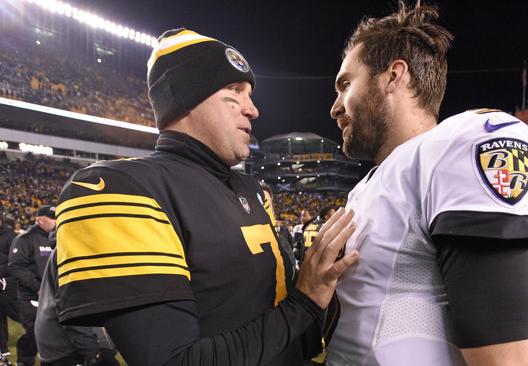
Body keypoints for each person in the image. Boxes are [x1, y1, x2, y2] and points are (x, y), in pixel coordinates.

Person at [53, 28, 358, 365]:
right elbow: (173, 361)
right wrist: (305, 301)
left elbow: (292, 336)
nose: (252, 109)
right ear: (186, 96)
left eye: (250, 93)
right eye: (235, 90)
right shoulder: (116, 187)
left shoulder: (252, 191)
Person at [326, 3, 528, 366]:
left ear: (393, 76)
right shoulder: (372, 183)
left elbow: (505, 361)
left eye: (345, 85)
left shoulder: (458, 145)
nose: (335, 107)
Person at [36, 230, 119, 366]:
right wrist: (93, 353)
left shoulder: (69, 247)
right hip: (65, 346)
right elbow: (72, 308)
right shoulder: (72, 251)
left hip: (62, 339)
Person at [8, 204, 56, 366]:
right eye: (52, 218)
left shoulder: (58, 239)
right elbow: (16, 267)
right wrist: (37, 287)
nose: (56, 222)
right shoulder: (24, 239)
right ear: (40, 220)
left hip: (56, 294)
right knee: (35, 333)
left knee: (56, 334)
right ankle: (25, 361)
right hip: (32, 296)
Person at [0, 208, 20, 360]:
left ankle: (42, 336)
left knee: (18, 313)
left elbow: (14, 262)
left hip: (9, 282)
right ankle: (2, 348)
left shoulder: (10, 236)